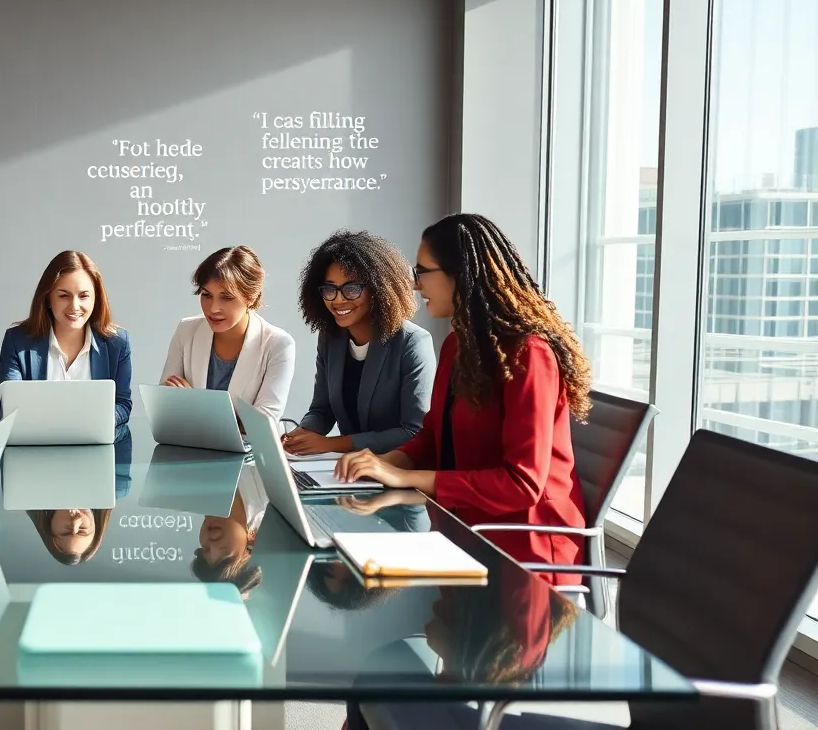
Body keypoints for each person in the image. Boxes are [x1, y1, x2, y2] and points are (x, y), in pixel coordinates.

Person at [333, 213, 592, 574]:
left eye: (422, 272)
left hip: (524, 552)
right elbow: (434, 436)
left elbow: (522, 484)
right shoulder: (457, 345)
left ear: (461, 275)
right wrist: (388, 463)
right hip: (462, 528)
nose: (415, 285)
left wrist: (406, 478)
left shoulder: (529, 355)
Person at [282, 231, 435, 455]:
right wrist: (300, 435)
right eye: (329, 289)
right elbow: (322, 410)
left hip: (396, 467)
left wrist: (332, 444)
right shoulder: (330, 339)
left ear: (378, 289)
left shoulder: (413, 342)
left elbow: (413, 431)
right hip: (350, 468)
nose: (338, 299)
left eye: (351, 289)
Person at [0, 251, 132, 437]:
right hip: (37, 446)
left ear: (96, 299)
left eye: (84, 296)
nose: (74, 306)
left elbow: (123, 403)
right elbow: (8, 407)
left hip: (93, 445)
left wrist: (104, 420)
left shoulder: (117, 343)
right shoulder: (17, 340)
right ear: (48, 298)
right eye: (63, 296)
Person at [160, 246, 295, 424]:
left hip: (250, 443)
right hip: (189, 440)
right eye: (206, 295)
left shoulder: (278, 344)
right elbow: (165, 404)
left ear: (251, 297)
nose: (213, 308)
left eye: (227, 297)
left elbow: (262, 422)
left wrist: (193, 405)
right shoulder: (186, 330)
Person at [189, 463, 268, 596]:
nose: (213, 545)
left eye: (205, 549)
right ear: (251, 544)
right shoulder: (270, 493)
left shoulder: (193, 483)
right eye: (225, 558)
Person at [27, 509, 112, 565]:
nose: (75, 521)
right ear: (95, 524)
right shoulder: (115, 488)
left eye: (67, 531)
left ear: (50, 526)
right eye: (82, 529)